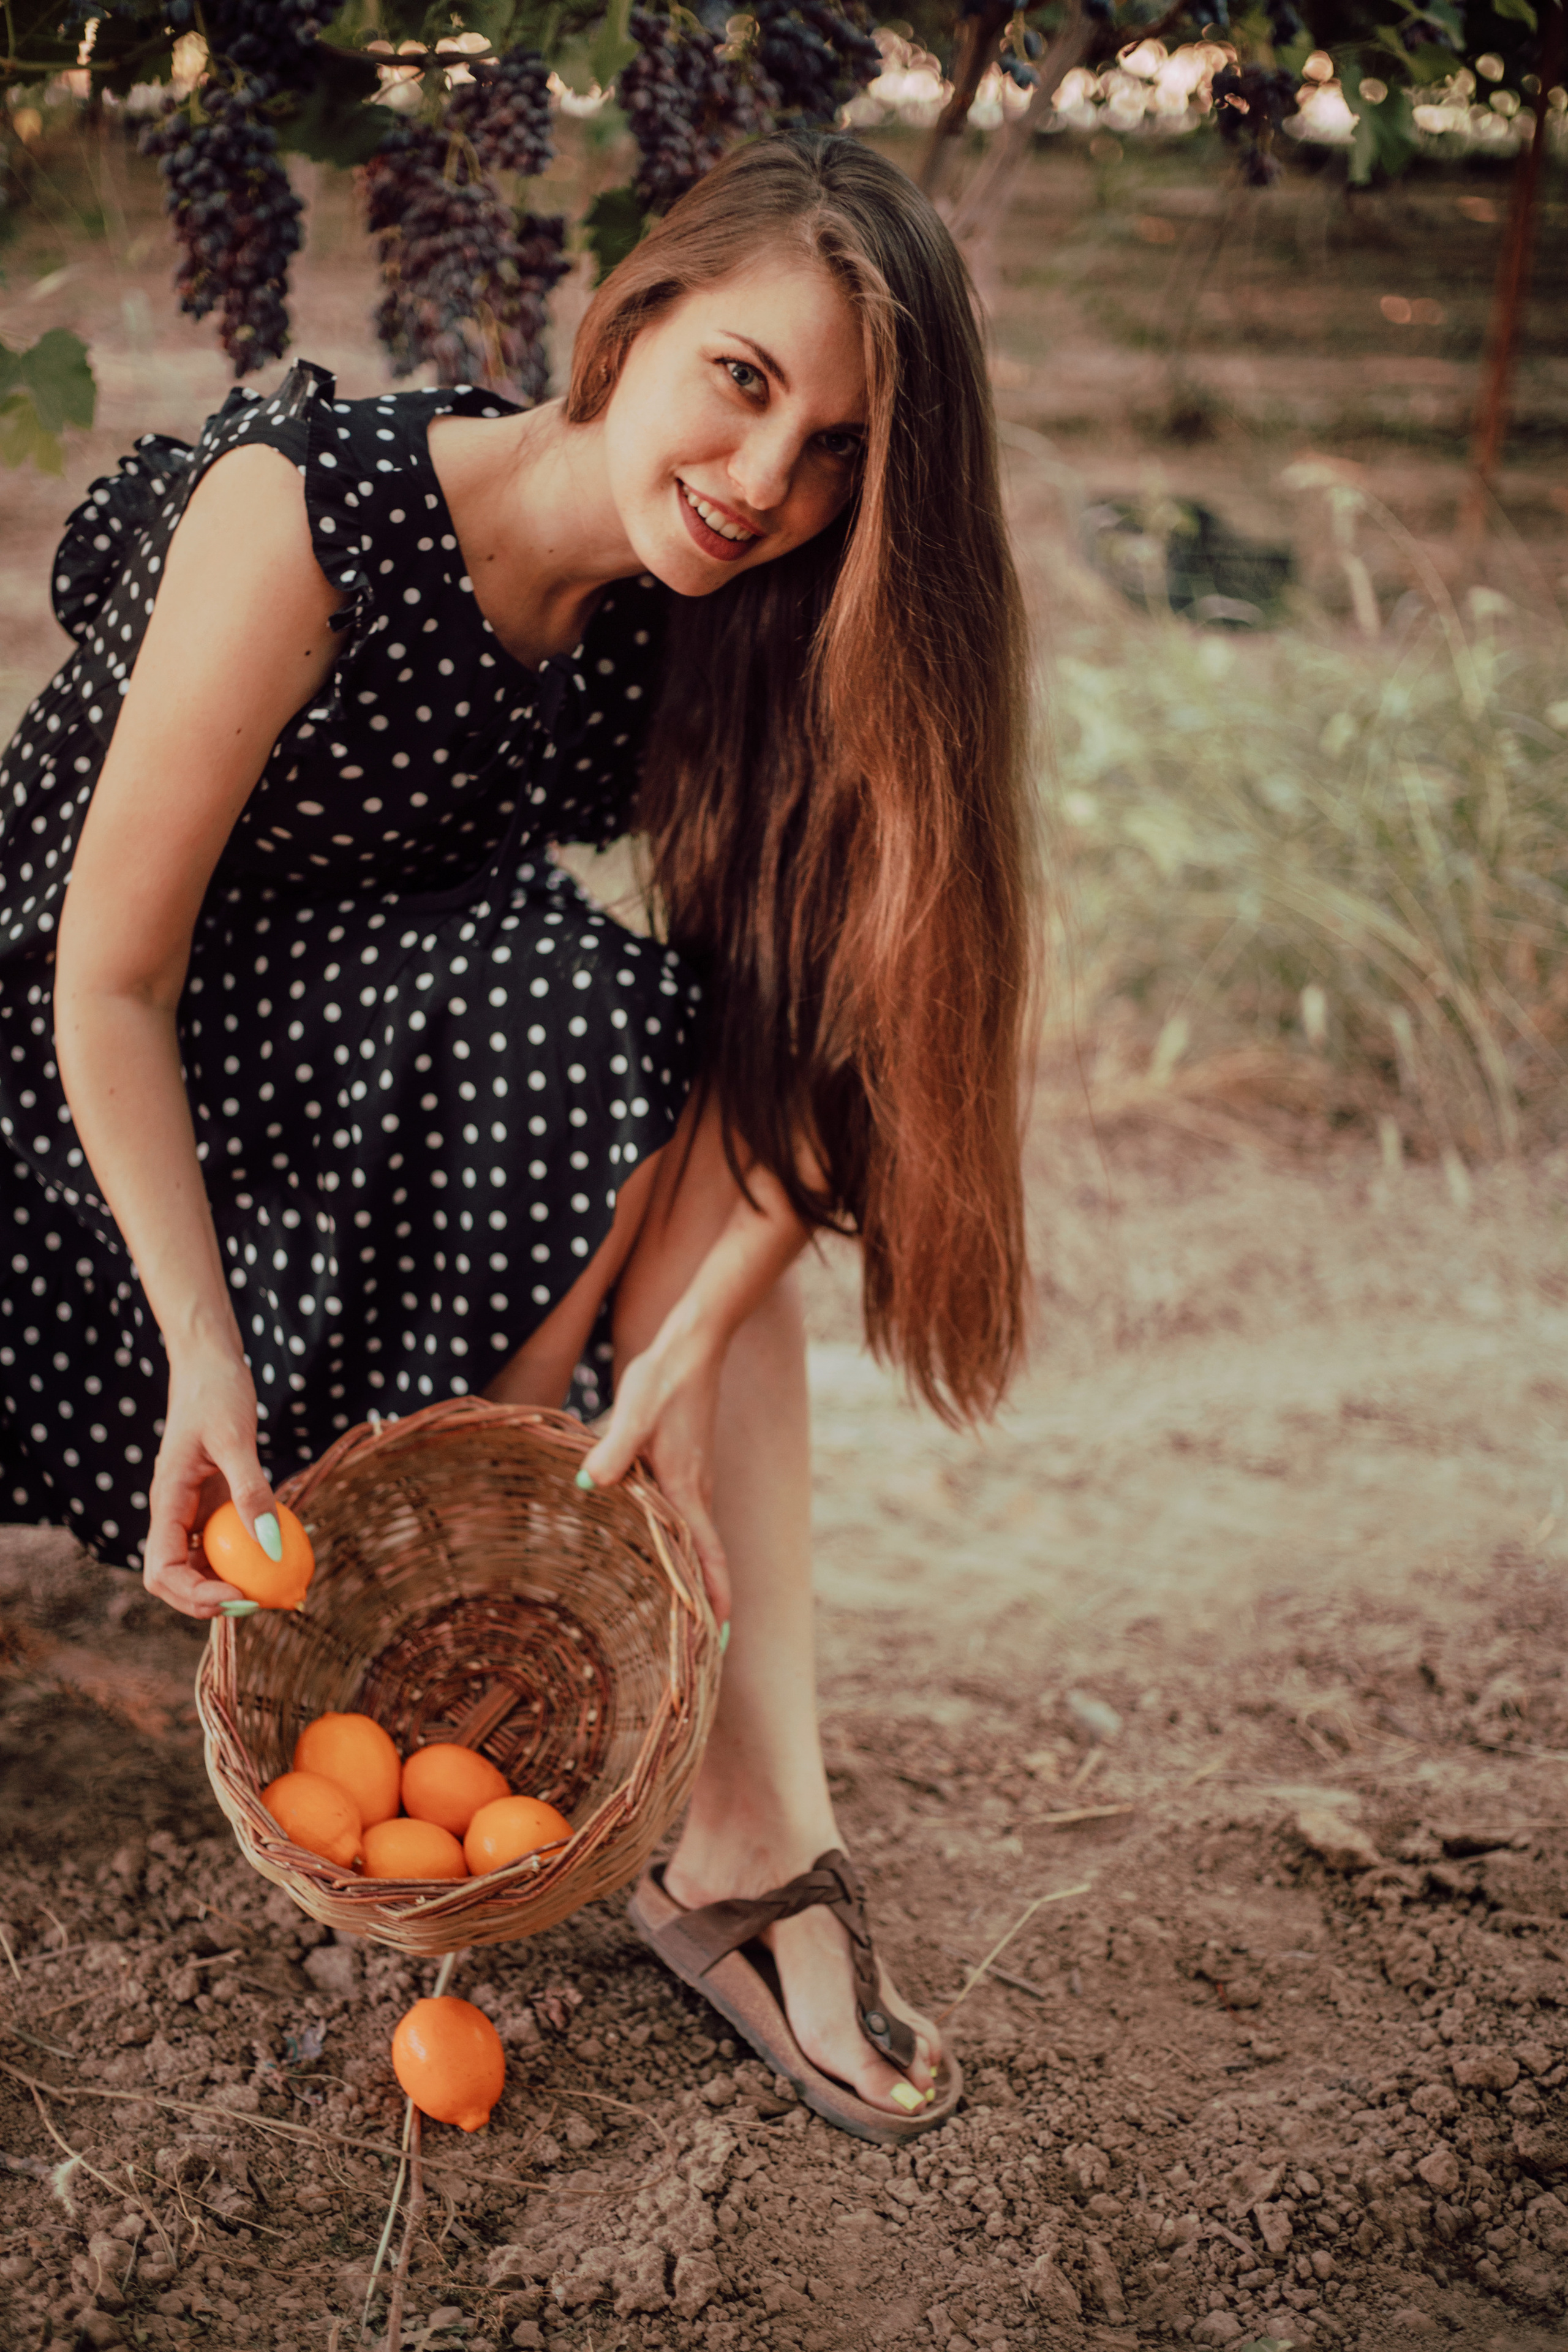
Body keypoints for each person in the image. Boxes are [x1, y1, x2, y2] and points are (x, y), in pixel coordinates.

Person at [0, 129, 1033, 2141]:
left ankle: (736, 1827)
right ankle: (425, 1632)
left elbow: (799, 1053)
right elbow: (101, 984)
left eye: (837, 451)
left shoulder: (700, 607)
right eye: (744, 380)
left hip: (349, 1069)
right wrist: (204, 1359)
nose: (767, 482)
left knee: (696, 1027)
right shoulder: (313, 519)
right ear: (633, 320)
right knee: (569, 985)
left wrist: (677, 1355)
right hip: (90, 1100)